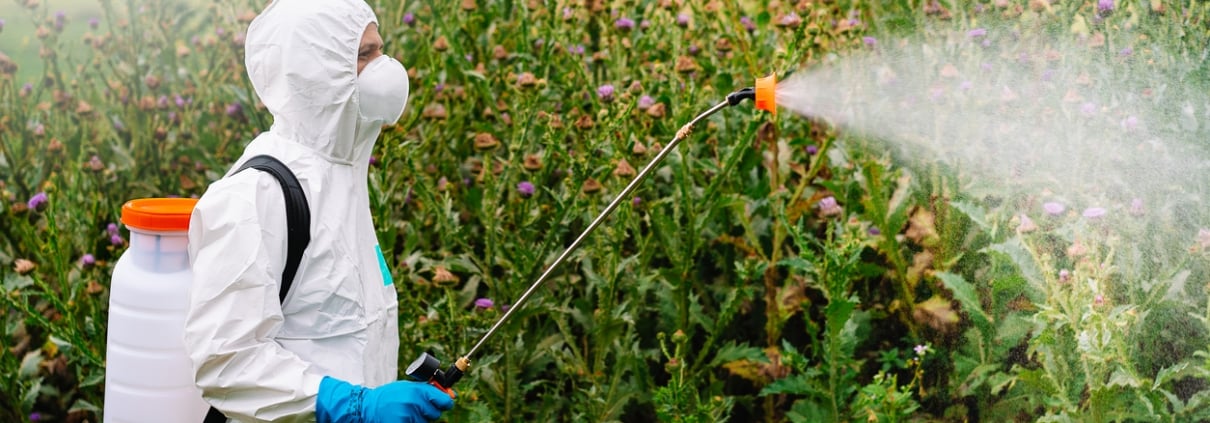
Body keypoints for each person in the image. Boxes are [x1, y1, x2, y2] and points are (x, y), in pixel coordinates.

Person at [182, 0, 454, 421]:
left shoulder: (342, 179)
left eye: (380, 49)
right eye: (364, 55)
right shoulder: (256, 196)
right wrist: (352, 407)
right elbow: (226, 360)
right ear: (315, 69)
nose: (386, 67)